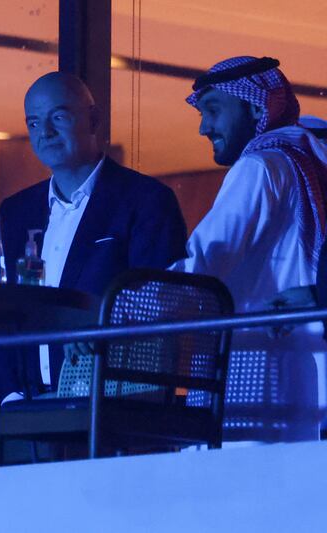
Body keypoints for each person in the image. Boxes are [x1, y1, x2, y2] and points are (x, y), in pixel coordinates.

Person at [0, 72, 187, 406]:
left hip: (115, 403)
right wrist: (7, 395)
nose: (45, 133)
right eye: (34, 123)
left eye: (58, 117)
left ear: (93, 120)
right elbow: (2, 312)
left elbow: (164, 299)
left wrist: (98, 324)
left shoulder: (144, 200)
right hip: (25, 406)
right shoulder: (17, 212)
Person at [169, 56, 327, 442]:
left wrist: (121, 313)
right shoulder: (311, 158)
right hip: (309, 379)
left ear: (256, 106)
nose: (205, 128)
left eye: (214, 110)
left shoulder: (261, 167)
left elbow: (202, 264)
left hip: (259, 382)